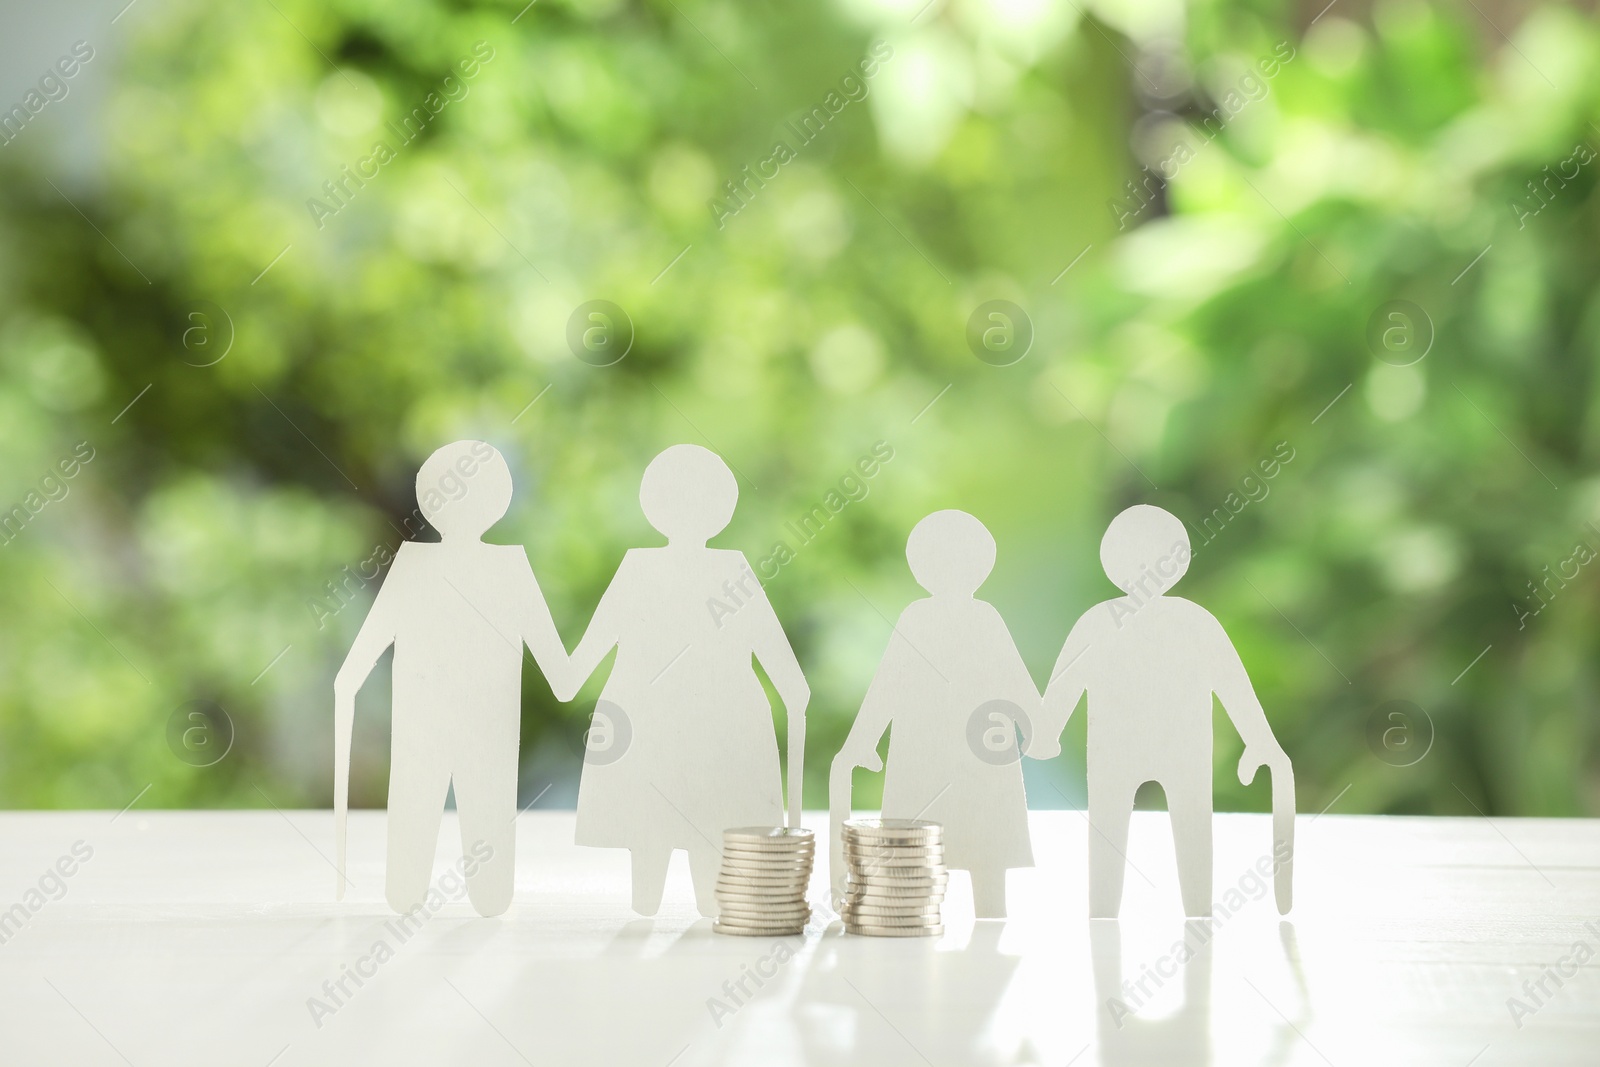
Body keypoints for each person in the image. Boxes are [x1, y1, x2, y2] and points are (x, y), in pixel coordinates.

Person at [563, 443, 809, 917]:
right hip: (716, 728)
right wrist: (796, 698)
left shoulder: (639, 568)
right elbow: (787, 672)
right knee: (706, 836)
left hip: (651, 724)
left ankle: (654, 905)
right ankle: (697, 905)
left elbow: (584, 659)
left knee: (656, 836)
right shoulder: (731, 571)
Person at [333, 440, 571, 917]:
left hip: (440, 729)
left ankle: (425, 894)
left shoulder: (415, 566)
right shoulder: (507, 568)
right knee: (474, 841)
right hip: (477, 733)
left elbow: (358, 661)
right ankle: (459, 895)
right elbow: (561, 674)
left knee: (423, 824)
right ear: (499, 501)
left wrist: (347, 684)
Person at [1031, 504, 1293, 918]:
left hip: (1124, 752)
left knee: (1116, 832)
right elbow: (1232, 685)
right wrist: (1259, 740)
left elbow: (1061, 692)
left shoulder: (1099, 622)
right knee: (1180, 830)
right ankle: (1190, 912)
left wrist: (1043, 736)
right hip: (1174, 750)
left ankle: (1115, 914)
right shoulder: (1194, 621)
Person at [831, 510, 1040, 919]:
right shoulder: (976, 617)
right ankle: (966, 918)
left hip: (947, 747)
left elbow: (887, 687)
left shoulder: (926, 617)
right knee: (968, 848)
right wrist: (1042, 729)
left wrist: (863, 741)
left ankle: (934, 917)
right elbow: (1016, 679)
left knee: (946, 846)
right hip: (972, 746)